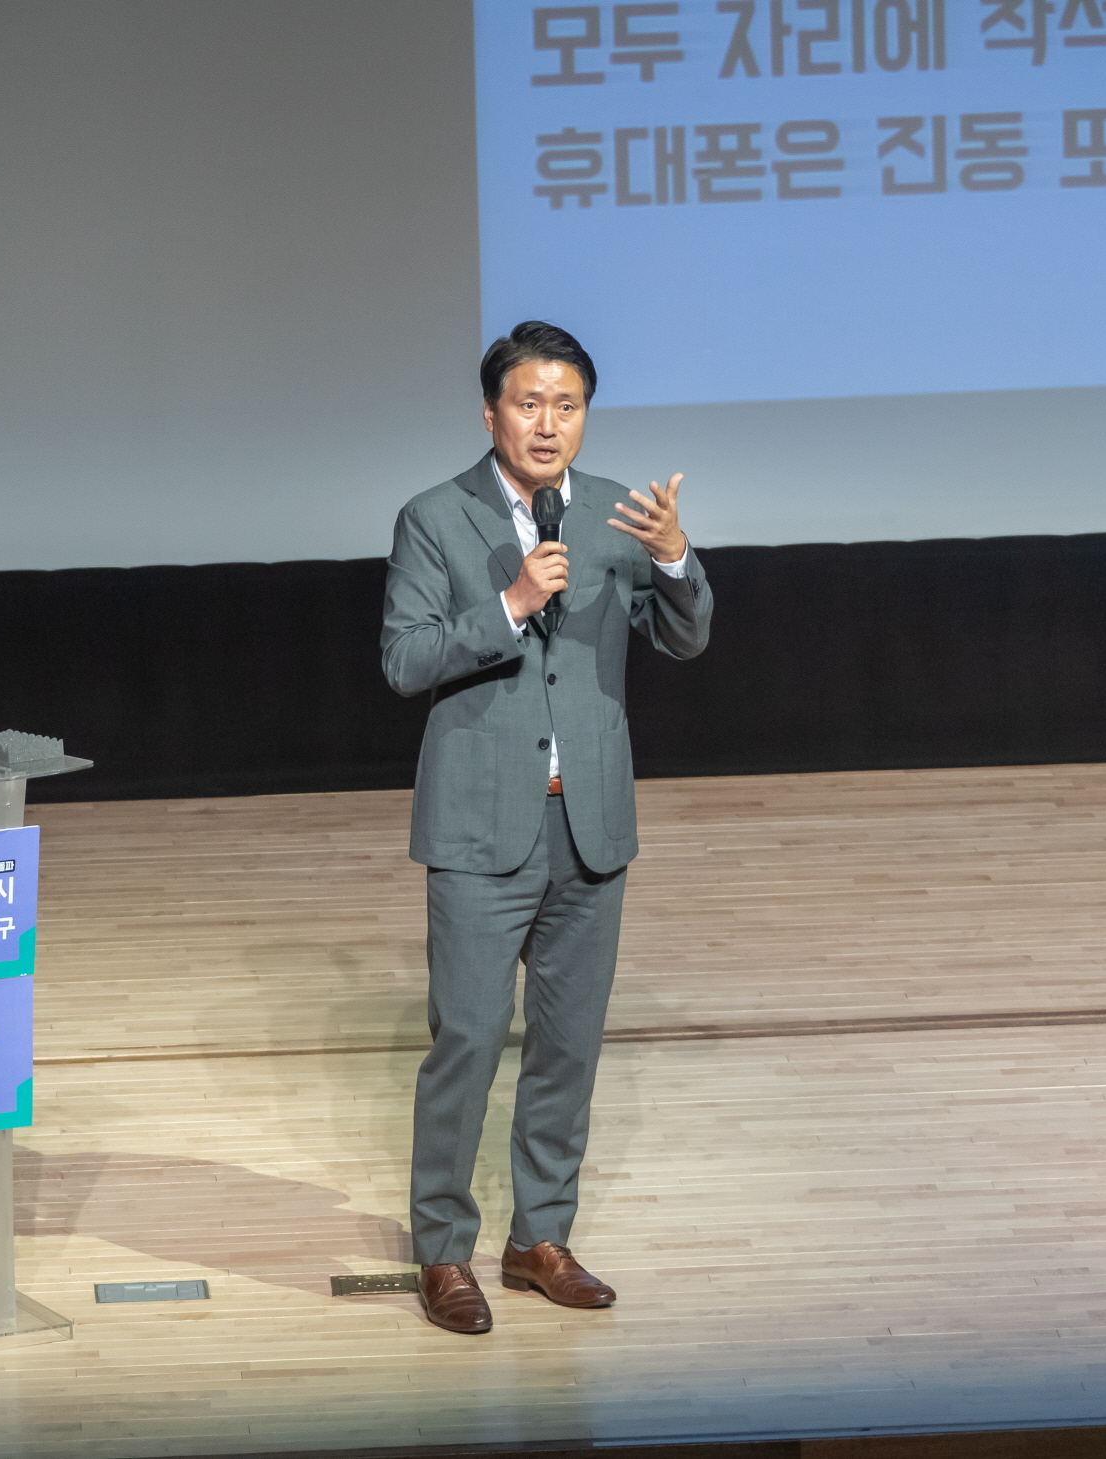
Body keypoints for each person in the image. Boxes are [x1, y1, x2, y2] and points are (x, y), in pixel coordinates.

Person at [380, 320, 714, 1334]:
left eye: (566, 406)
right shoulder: (434, 517)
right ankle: (444, 1249)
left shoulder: (615, 517)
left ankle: (538, 1239)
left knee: (567, 1047)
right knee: (468, 1041)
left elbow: (684, 639)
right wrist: (511, 602)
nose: (547, 423)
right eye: (528, 403)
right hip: (480, 830)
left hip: (590, 825)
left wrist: (674, 558)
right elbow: (403, 659)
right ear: (491, 413)